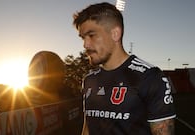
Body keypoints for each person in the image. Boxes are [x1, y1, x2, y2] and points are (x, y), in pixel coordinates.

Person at [73, 2, 176, 135]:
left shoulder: (150, 77)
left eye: (91, 35)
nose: (85, 44)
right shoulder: (89, 80)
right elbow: (87, 128)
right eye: (83, 38)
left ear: (115, 34)